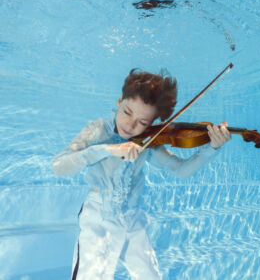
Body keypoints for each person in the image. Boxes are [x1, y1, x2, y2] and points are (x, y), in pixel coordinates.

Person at [52, 69, 231, 280]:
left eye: (143, 122)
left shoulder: (148, 141)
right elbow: (59, 166)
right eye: (127, 112)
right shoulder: (98, 131)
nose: (131, 125)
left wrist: (212, 148)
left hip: (132, 218)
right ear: (119, 101)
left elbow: (180, 170)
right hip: (98, 214)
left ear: (153, 123)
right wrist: (108, 150)